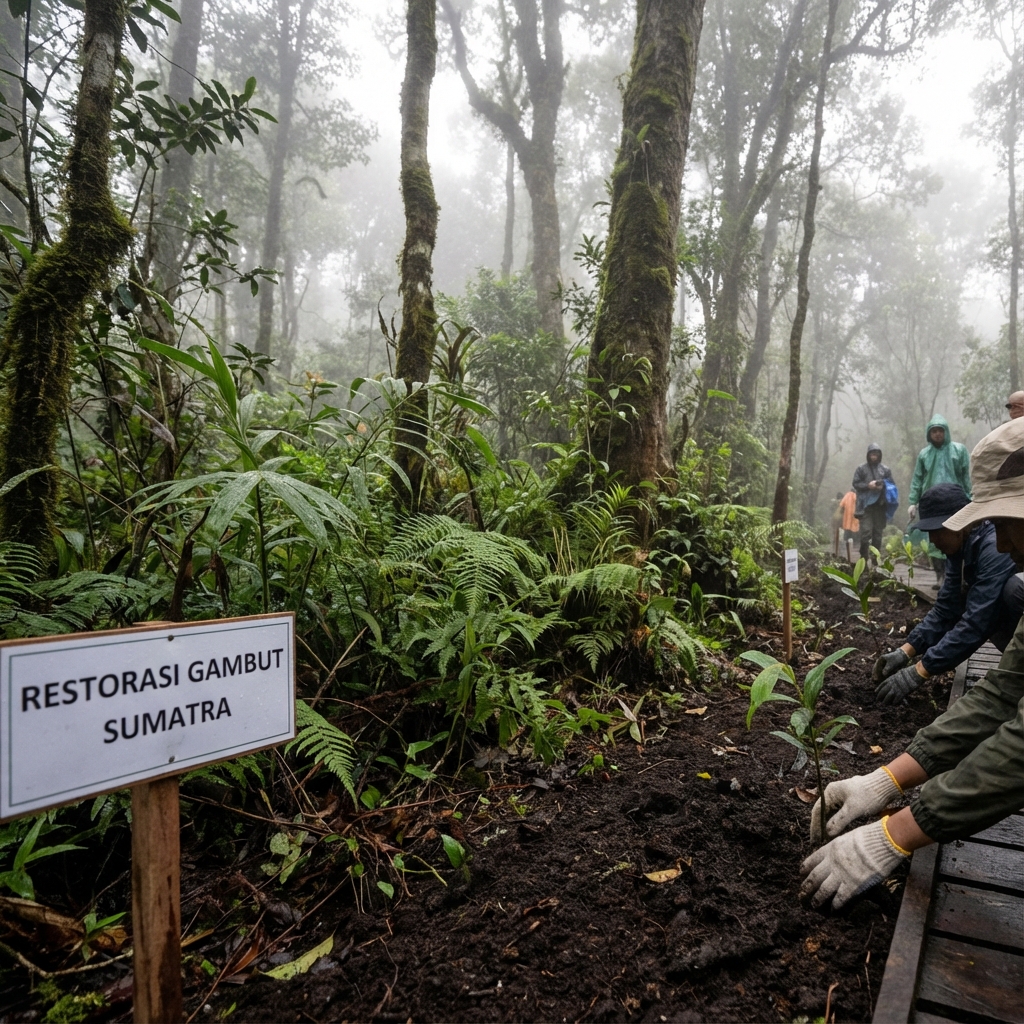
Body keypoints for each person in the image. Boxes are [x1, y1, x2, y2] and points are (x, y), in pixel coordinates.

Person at [800, 417, 1024, 910]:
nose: (1004, 543)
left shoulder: (993, 561)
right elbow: (1003, 693)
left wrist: (895, 834)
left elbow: (1018, 742)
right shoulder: (968, 555)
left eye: (1007, 522)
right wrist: (885, 781)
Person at [873, 482, 1021, 705]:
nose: (932, 540)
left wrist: (920, 671)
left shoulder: (993, 547)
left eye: (936, 531)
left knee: (1012, 591)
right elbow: (946, 608)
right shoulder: (959, 549)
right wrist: (905, 652)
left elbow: (977, 622)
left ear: (959, 523)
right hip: (1005, 626)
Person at [907, 415, 971, 583]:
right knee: (935, 540)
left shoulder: (959, 450)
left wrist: (971, 497)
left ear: (946, 431)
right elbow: (918, 479)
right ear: (929, 434)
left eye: (940, 430)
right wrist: (913, 502)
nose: (937, 434)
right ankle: (939, 577)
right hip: (932, 503)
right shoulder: (924, 454)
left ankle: (960, 576)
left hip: (955, 502)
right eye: (933, 431)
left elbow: (966, 477)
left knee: (958, 535)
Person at [852, 444, 893, 563]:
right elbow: (855, 483)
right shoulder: (861, 469)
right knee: (865, 533)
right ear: (868, 455)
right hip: (866, 506)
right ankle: (863, 559)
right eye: (872, 454)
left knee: (877, 535)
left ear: (880, 455)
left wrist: (883, 485)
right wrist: (868, 486)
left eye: (876, 454)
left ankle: (875, 561)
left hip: (880, 506)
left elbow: (891, 485)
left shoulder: (885, 470)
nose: (874, 456)